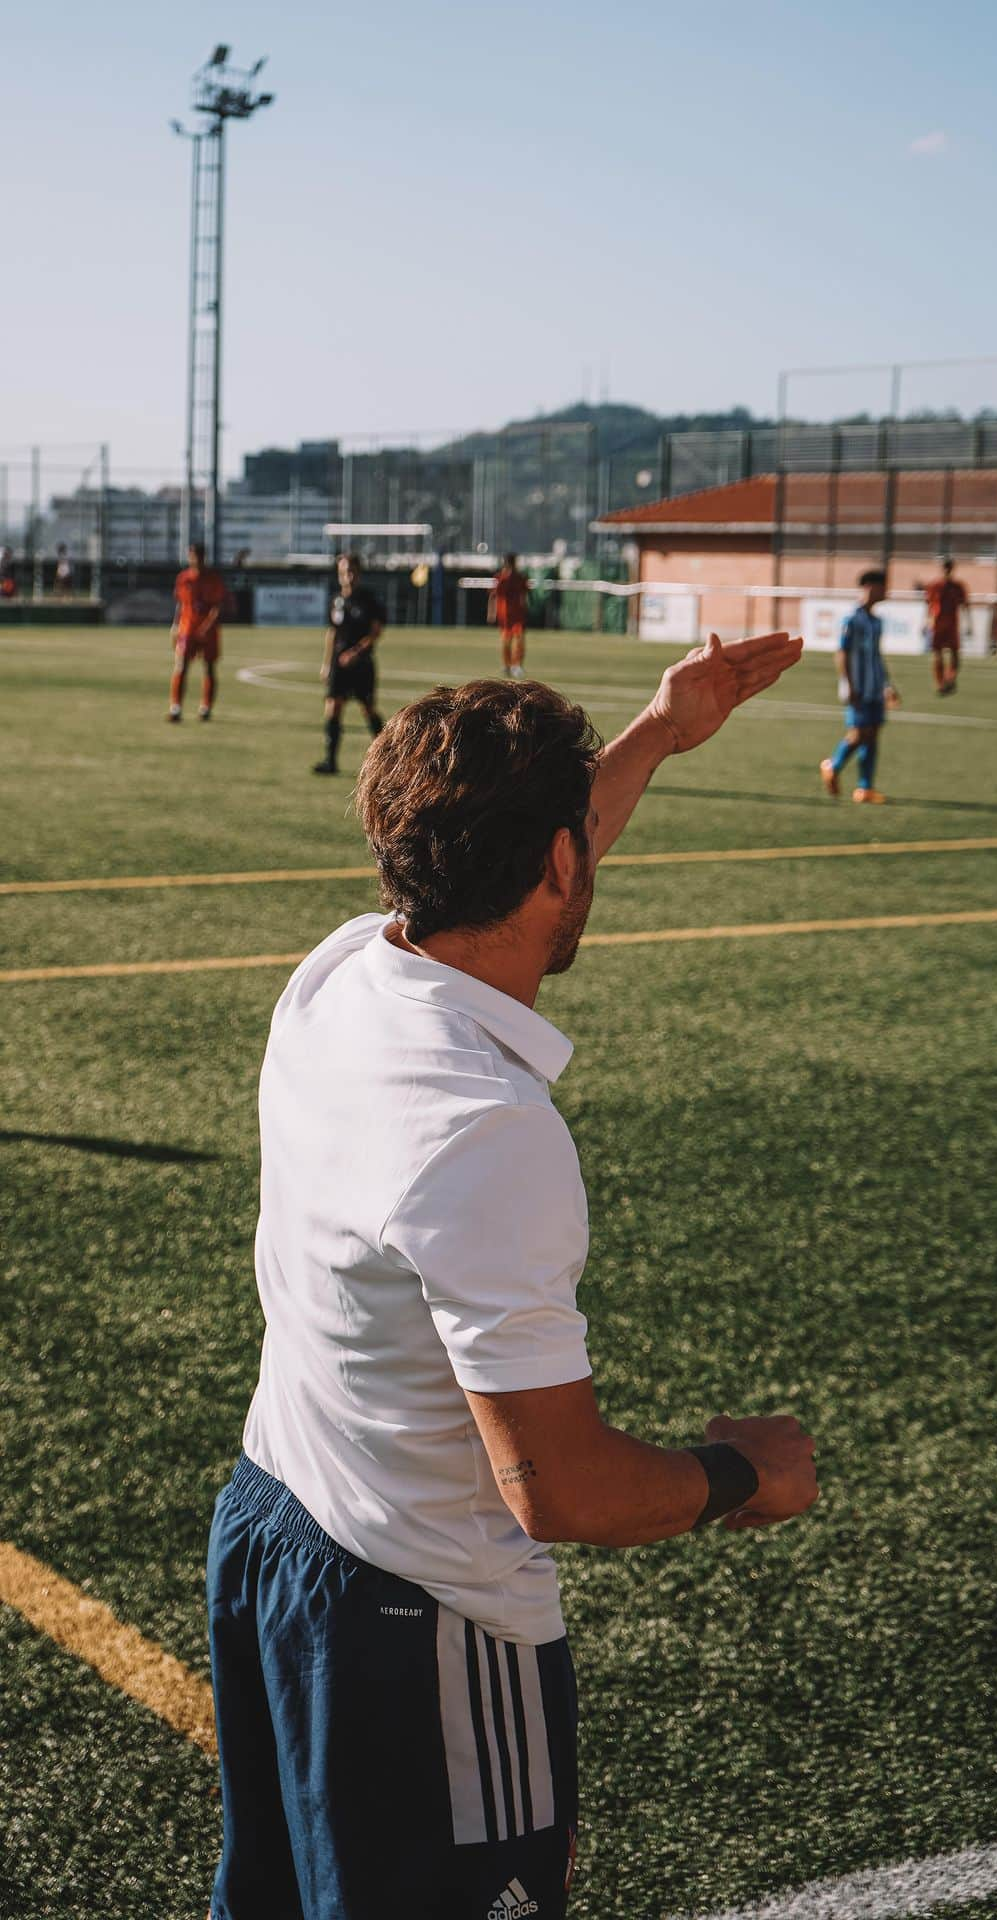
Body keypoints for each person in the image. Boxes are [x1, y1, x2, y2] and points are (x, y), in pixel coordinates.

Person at [205, 630, 817, 1920]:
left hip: (273, 1533)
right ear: (557, 863)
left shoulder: (341, 974)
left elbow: (520, 850)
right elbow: (558, 1487)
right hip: (422, 1625)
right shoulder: (487, 1128)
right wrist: (742, 1479)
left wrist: (657, 731)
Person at [819, 570, 899, 804]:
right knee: (859, 733)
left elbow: (876, 656)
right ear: (869, 587)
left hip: (874, 688)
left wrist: (887, 685)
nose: (885, 592)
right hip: (859, 689)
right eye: (882, 587)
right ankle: (832, 765)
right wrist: (849, 684)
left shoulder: (876, 622)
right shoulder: (852, 619)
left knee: (872, 734)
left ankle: (865, 788)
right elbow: (842, 653)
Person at [313, 552, 386, 775]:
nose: (348, 576)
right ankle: (330, 761)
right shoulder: (336, 600)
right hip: (339, 664)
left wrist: (356, 652)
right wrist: (327, 664)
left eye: (352, 571)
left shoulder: (369, 600)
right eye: (344, 572)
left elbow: (376, 632)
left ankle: (389, 758)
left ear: (359, 573)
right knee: (333, 708)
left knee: (368, 710)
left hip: (362, 664)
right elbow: (332, 633)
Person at [169, 542, 227, 723]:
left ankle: (206, 708)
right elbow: (180, 604)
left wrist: (208, 626)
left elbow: (217, 606)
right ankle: (176, 708)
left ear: (203, 557)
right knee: (181, 665)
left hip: (208, 631)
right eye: (192, 555)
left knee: (209, 668)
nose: (194, 559)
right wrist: (175, 625)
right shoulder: (183, 578)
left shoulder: (213, 578)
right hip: (187, 628)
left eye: (198, 555)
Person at [921, 557, 970, 695]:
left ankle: (950, 678)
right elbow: (929, 605)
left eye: (948, 567)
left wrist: (969, 623)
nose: (947, 570)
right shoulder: (934, 586)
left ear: (952, 569)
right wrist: (926, 622)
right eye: (945, 567)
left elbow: (965, 605)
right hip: (937, 623)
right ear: (942, 569)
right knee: (938, 654)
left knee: (954, 653)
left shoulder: (958, 586)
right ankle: (941, 683)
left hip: (952, 623)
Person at [489, 553, 530, 678]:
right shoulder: (501, 578)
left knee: (519, 638)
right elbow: (494, 595)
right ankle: (507, 665)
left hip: (518, 614)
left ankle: (517, 665)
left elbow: (525, 594)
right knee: (506, 640)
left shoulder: (520, 577)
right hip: (505, 614)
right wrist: (492, 612)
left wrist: (526, 608)